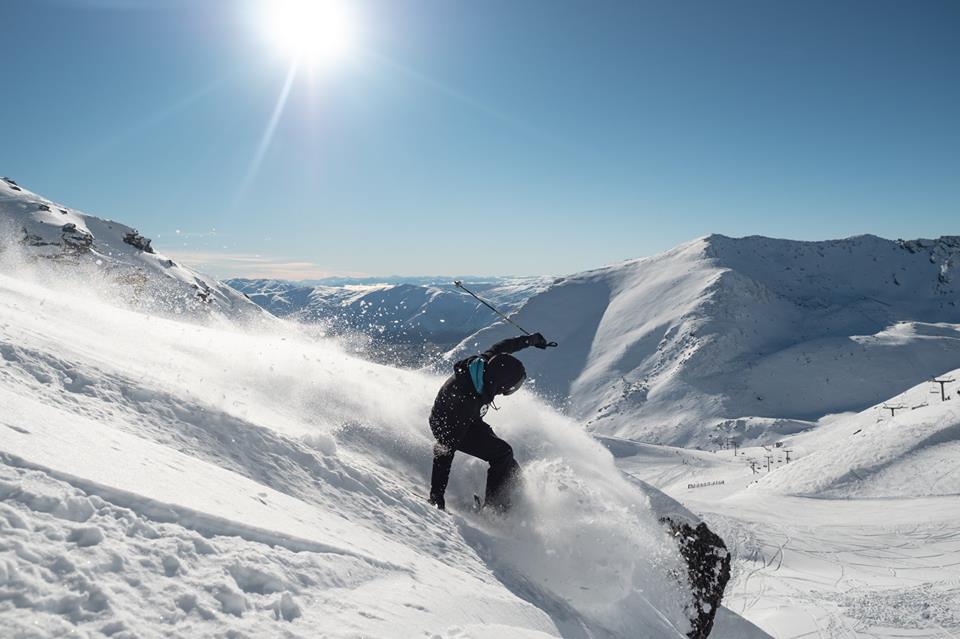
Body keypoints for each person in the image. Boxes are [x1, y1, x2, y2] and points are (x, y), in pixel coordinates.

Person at [428, 332, 550, 512]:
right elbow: (444, 449)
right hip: (447, 426)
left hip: (470, 421)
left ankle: (513, 498)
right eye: (509, 388)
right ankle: (493, 510)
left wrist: (530, 340)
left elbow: (504, 346)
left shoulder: (485, 364)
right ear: (499, 382)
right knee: (502, 454)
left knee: (506, 457)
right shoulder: (465, 400)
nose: (507, 392)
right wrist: (436, 495)